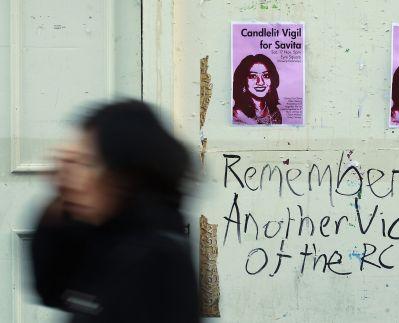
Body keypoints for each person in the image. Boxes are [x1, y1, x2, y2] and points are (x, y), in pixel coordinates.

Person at [31, 100, 199, 323]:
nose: (75, 178)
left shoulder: (155, 255)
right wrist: (59, 203)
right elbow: (53, 290)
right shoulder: (110, 235)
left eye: (89, 163)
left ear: (124, 173)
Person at [232, 54, 282, 125]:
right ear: (243, 80)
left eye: (266, 76)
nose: (261, 82)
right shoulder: (237, 116)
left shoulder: (274, 112)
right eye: (253, 76)